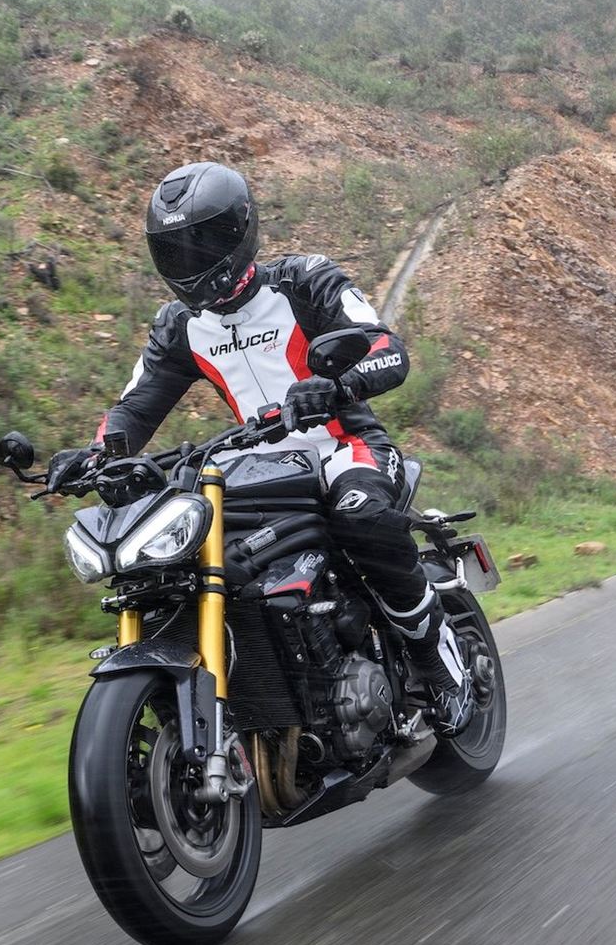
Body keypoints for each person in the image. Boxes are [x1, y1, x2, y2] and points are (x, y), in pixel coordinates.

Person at [47, 161, 473, 732]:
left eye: (207, 241)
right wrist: (98, 455)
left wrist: (337, 386)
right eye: (177, 250)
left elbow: (387, 348)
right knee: (194, 552)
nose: (193, 261)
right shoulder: (180, 326)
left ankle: (440, 666)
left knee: (363, 518)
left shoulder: (303, 281)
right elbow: (134, 407)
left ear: (242, 230)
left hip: (344, 447)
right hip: (261, 467)